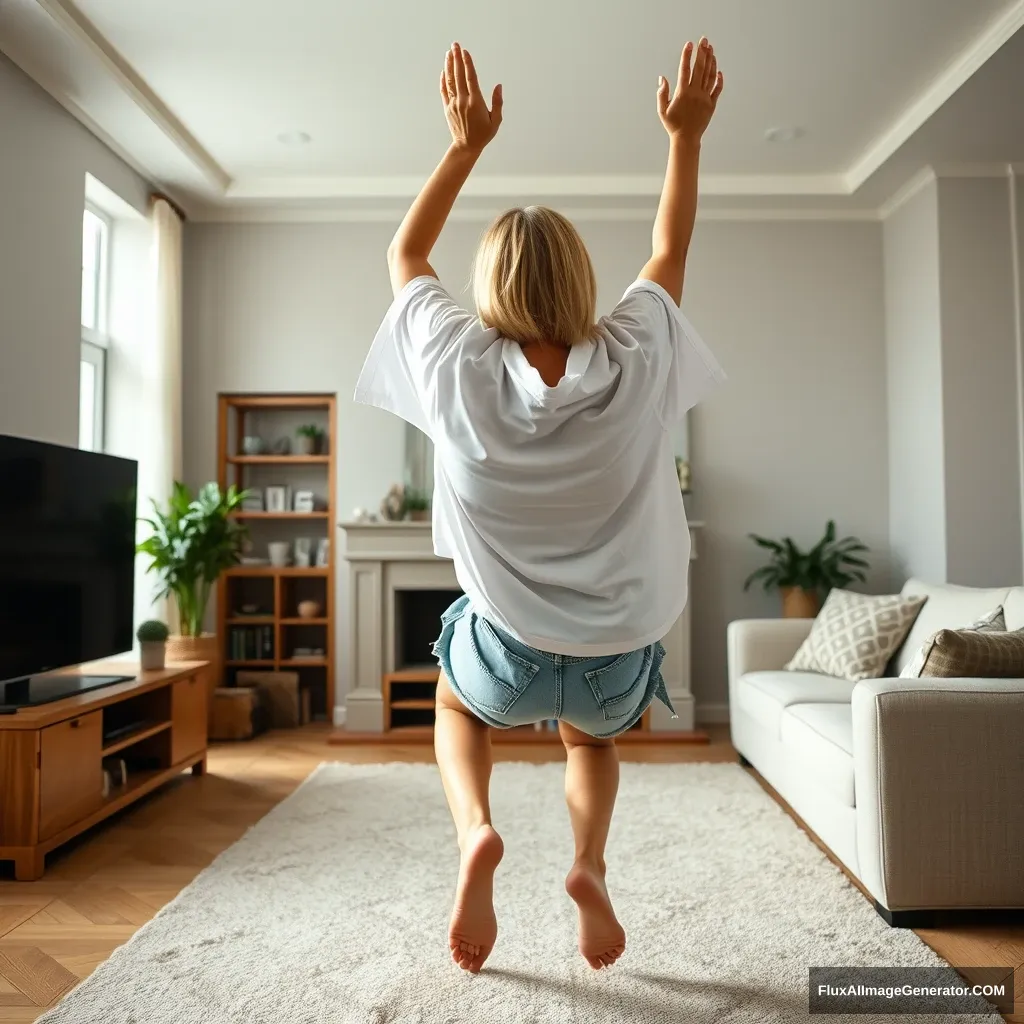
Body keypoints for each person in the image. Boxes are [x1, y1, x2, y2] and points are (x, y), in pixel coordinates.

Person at [354, 37, 725, 975]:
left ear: (490, 292)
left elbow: (405, 252)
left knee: (451, 701)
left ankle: (477, 831)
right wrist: (683, 136)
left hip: (505, 658)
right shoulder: (637, 352)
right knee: (590, 742)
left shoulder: (454, 364)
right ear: (579, 283)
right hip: (610, 657)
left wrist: (465, 147)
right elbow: (670, 246)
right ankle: (588, 865)